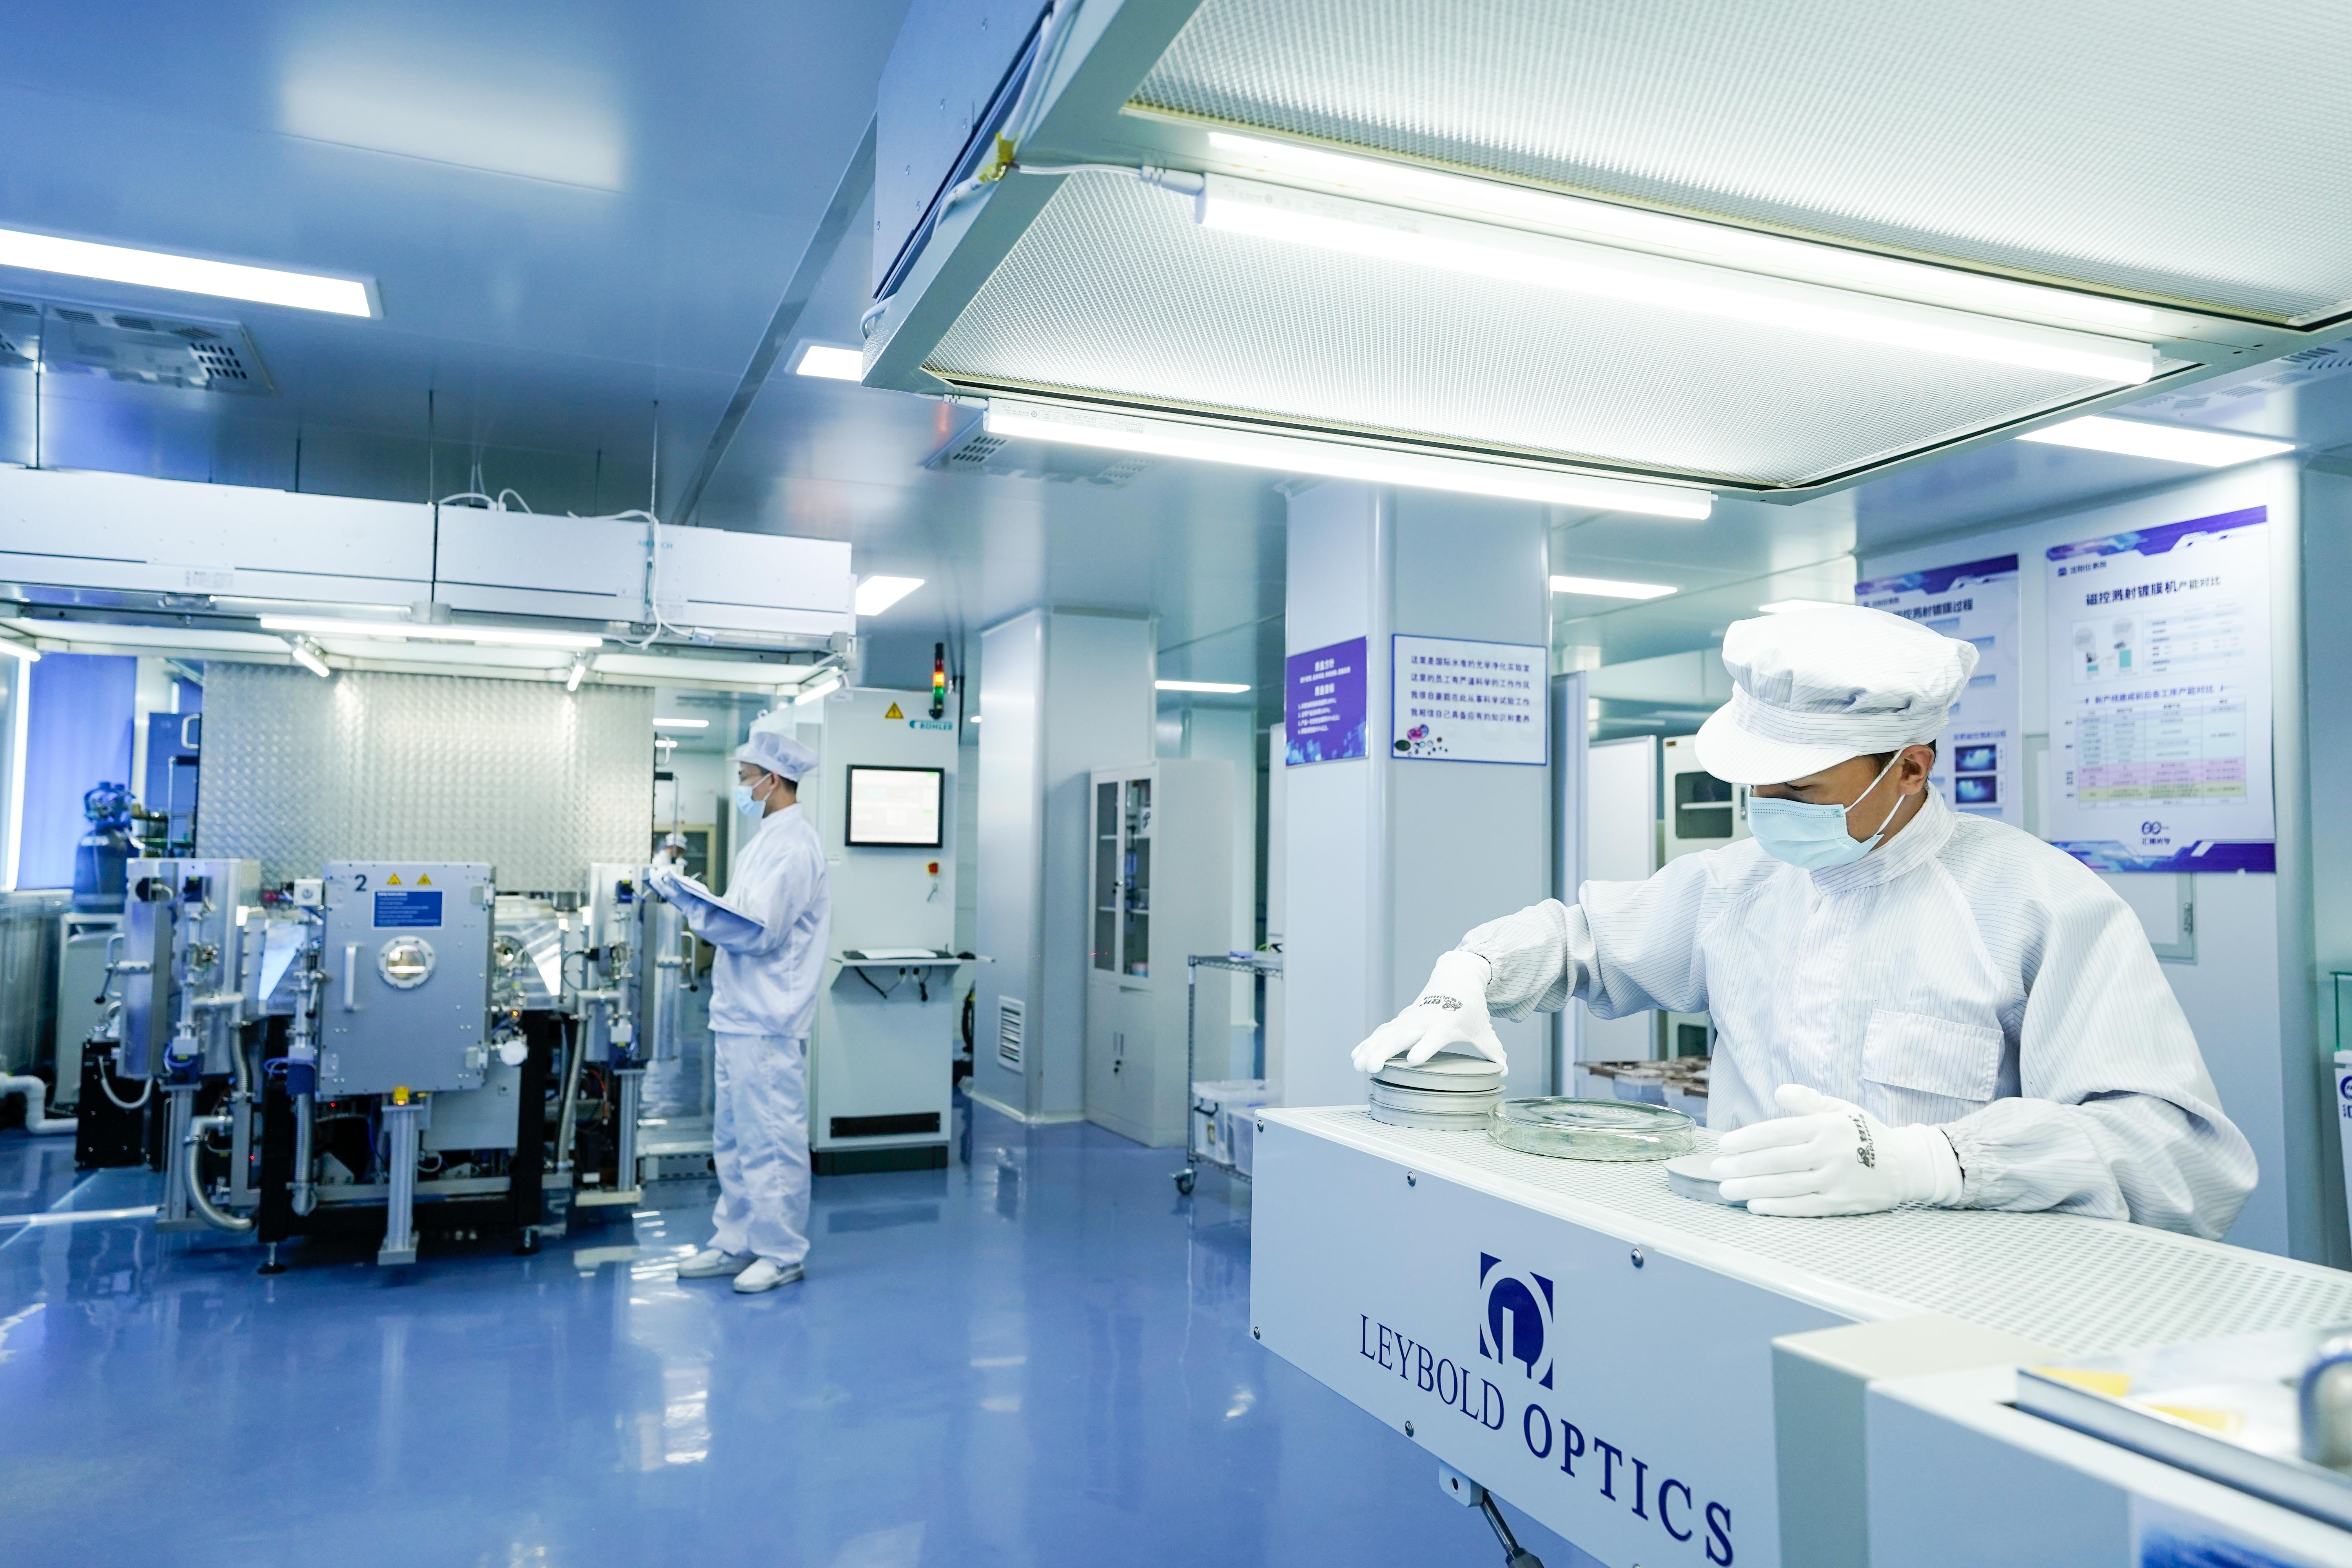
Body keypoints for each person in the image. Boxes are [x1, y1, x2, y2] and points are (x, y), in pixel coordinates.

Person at [1354, 604, 2255, 1239]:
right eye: (1758, 788)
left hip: (1956, 1287)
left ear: (1910, 768)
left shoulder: (2038, 902)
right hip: (1747, 1257)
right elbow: (1578, 940)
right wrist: (1470, 972)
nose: (1769, 812)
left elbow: (2182, 1155)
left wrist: (1939, 1162)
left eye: (1801, 789)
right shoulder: (1738, 884)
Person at [652, 724, 829, 1292]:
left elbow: (757, 931)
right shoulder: (766, 841)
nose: (742, 787)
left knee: (771, 1139)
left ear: (772, 780)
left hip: (769, 1017)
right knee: (733, 1138)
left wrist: (687, 900)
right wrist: (691, 897)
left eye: (746, 777)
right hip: (740, 1014)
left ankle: (781, 1252)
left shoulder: (794, 846)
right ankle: (736, 1241)